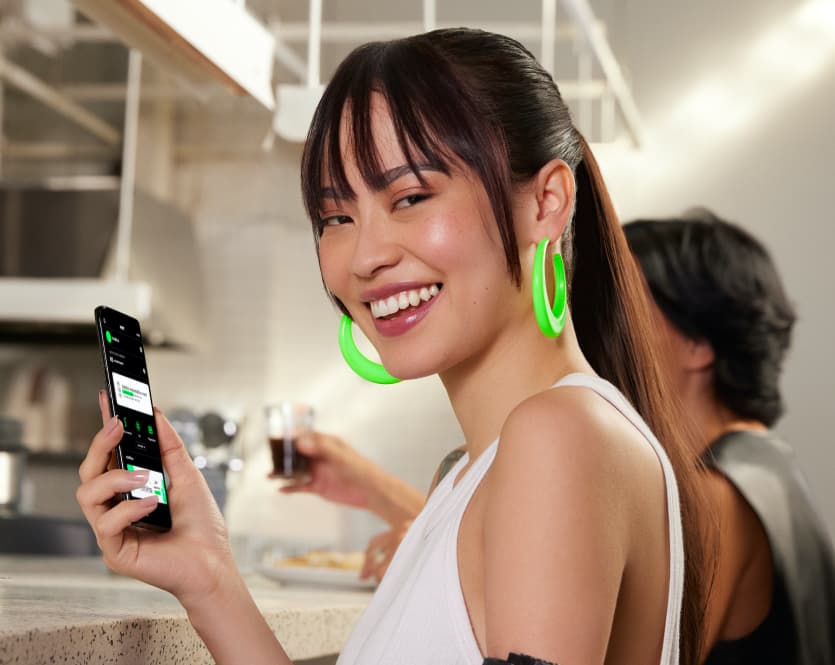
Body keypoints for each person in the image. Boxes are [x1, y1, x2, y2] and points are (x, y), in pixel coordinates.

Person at [76, 28, 710, 665]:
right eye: (337, 218)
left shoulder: (560, 437)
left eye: (410, 197)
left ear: (546, 202)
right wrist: (206, 575)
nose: (367, 256)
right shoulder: (469, 472)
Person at [624, 210, 835, 665]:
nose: (606, 332)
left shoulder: (714, 493)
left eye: (626, 309)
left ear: (698, 343)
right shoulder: (770, 464)